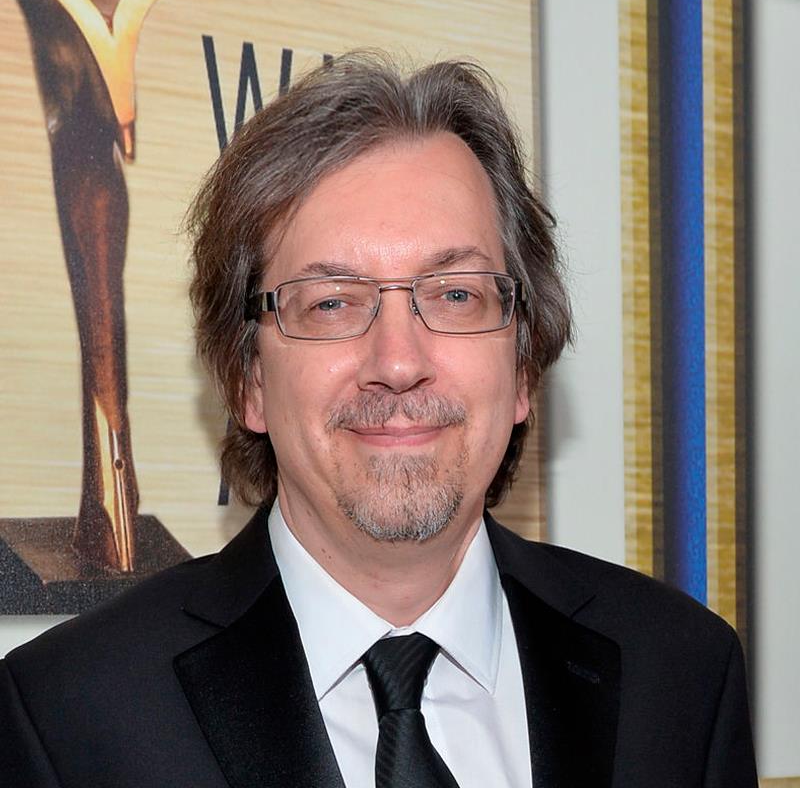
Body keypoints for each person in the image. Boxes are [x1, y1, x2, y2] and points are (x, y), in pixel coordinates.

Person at [0, 52, 757, 787]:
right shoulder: (70, 718)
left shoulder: (681, 673)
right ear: (248, 378)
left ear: (524, 366)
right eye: (332, 303)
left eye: (456, 295)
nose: (398, 362)